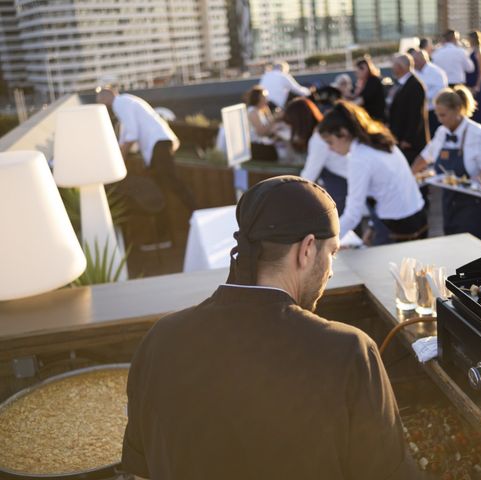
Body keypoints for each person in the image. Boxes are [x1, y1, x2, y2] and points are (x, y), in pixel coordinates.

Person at [121, 175, 422, 480]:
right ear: (306, 250)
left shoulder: (160, 340)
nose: (331, 271)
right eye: (331, 252)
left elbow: (141, 469)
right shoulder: (349, 352)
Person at [96, 87, 196, 246]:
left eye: (99, 100)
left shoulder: (120, 103)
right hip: (159, 145)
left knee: (173, 183)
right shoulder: (127, 101)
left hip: (159, 145)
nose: (100, 104)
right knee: (161, 190)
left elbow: (131, 134)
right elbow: (125, 138)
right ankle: (164, 236)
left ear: (106, 97)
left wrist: (119, 160)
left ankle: (197, 214)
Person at [318, 101, 427, 243]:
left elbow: (353, 214)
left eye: (330, 142)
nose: (329, 149)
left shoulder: (358, 158)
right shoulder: (381, 140)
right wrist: (372, 225)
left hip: (397, 226)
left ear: (343, 133)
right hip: (418, 214)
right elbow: (389, 190)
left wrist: (326, 243)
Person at [411, 86, 481, 245]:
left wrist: (476, 178)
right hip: (449, 202)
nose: (439, 119)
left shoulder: (479, 134)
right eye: (437, 115)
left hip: (473, 204)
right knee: (454, 248)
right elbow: (424, 157)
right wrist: (409, 176)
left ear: (458, 109)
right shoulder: (441, 133)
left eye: (443, 115)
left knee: (476, 252)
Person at [283, 98, 348, 214]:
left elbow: (309, 175)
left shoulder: (318, 140)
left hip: (343, 185)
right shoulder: (323, 132)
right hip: (344, 182)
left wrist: (290, 195)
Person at [388, 53, 427, 163]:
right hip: (400, 138)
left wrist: (408, 139)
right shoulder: (402, 84)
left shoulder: (415, 85)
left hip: (410, 144)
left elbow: (416, 115)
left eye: (394, 65)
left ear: (401, 67)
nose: (392, 68)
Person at [409, 47, 448, 138]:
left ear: (422, 60)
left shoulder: (436, 72)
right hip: (419, 111)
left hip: (433, 110)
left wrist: (421, 96)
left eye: (414, 60)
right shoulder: (413, 72)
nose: (412, 63)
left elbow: (440, 91)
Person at [244, 86, 279, 161]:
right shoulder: (253, 112)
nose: (267, 99)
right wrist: (274, 119)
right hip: (256, 148)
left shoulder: (260, 110)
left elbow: (269, 128)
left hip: (262, 144)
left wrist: (269, 113)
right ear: (258, 98)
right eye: (265, 97)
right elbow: (261, 132)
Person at [352, 56, 386, 122]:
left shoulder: (373, 81)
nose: (357, 73)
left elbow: (362, 99)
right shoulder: (361, 83)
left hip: (376, 119)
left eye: (361, 68)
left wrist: (347, 107)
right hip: (367, 118)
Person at [465, 31, 481, 126]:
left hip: (476, 83)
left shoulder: (478, 51)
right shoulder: (472, 50)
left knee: (478, 108)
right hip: (470, 83)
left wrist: (477, 86)